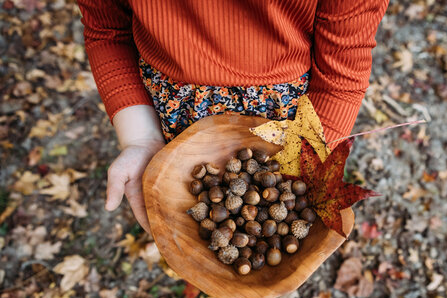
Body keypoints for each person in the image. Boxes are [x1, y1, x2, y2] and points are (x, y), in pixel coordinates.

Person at [77, 0, 389, 233]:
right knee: (187, 210)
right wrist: (140, 137)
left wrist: (307, 157)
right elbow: (107, 31)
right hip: (167, 114)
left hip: (289, 121)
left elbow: (343, 71)